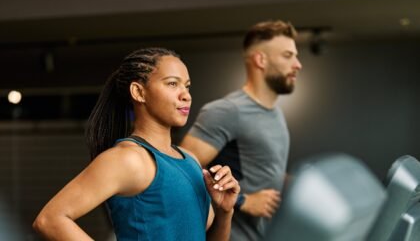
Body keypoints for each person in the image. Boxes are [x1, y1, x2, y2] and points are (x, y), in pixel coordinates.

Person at [33, 47, 240, 240]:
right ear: (138, 92)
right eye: (172, 83)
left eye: (186, 86)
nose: (185, 95)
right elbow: (50, 219)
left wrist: (225, 212)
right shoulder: (128, 158)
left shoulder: (191, 160)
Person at [181, 20, 302, 240]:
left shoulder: (275, 113)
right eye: (287, 56)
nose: (297, 64)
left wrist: (301, 185)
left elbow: (262, 167)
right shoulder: (228, 111)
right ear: (260, 60)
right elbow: (180, 171)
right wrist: (243, 200)